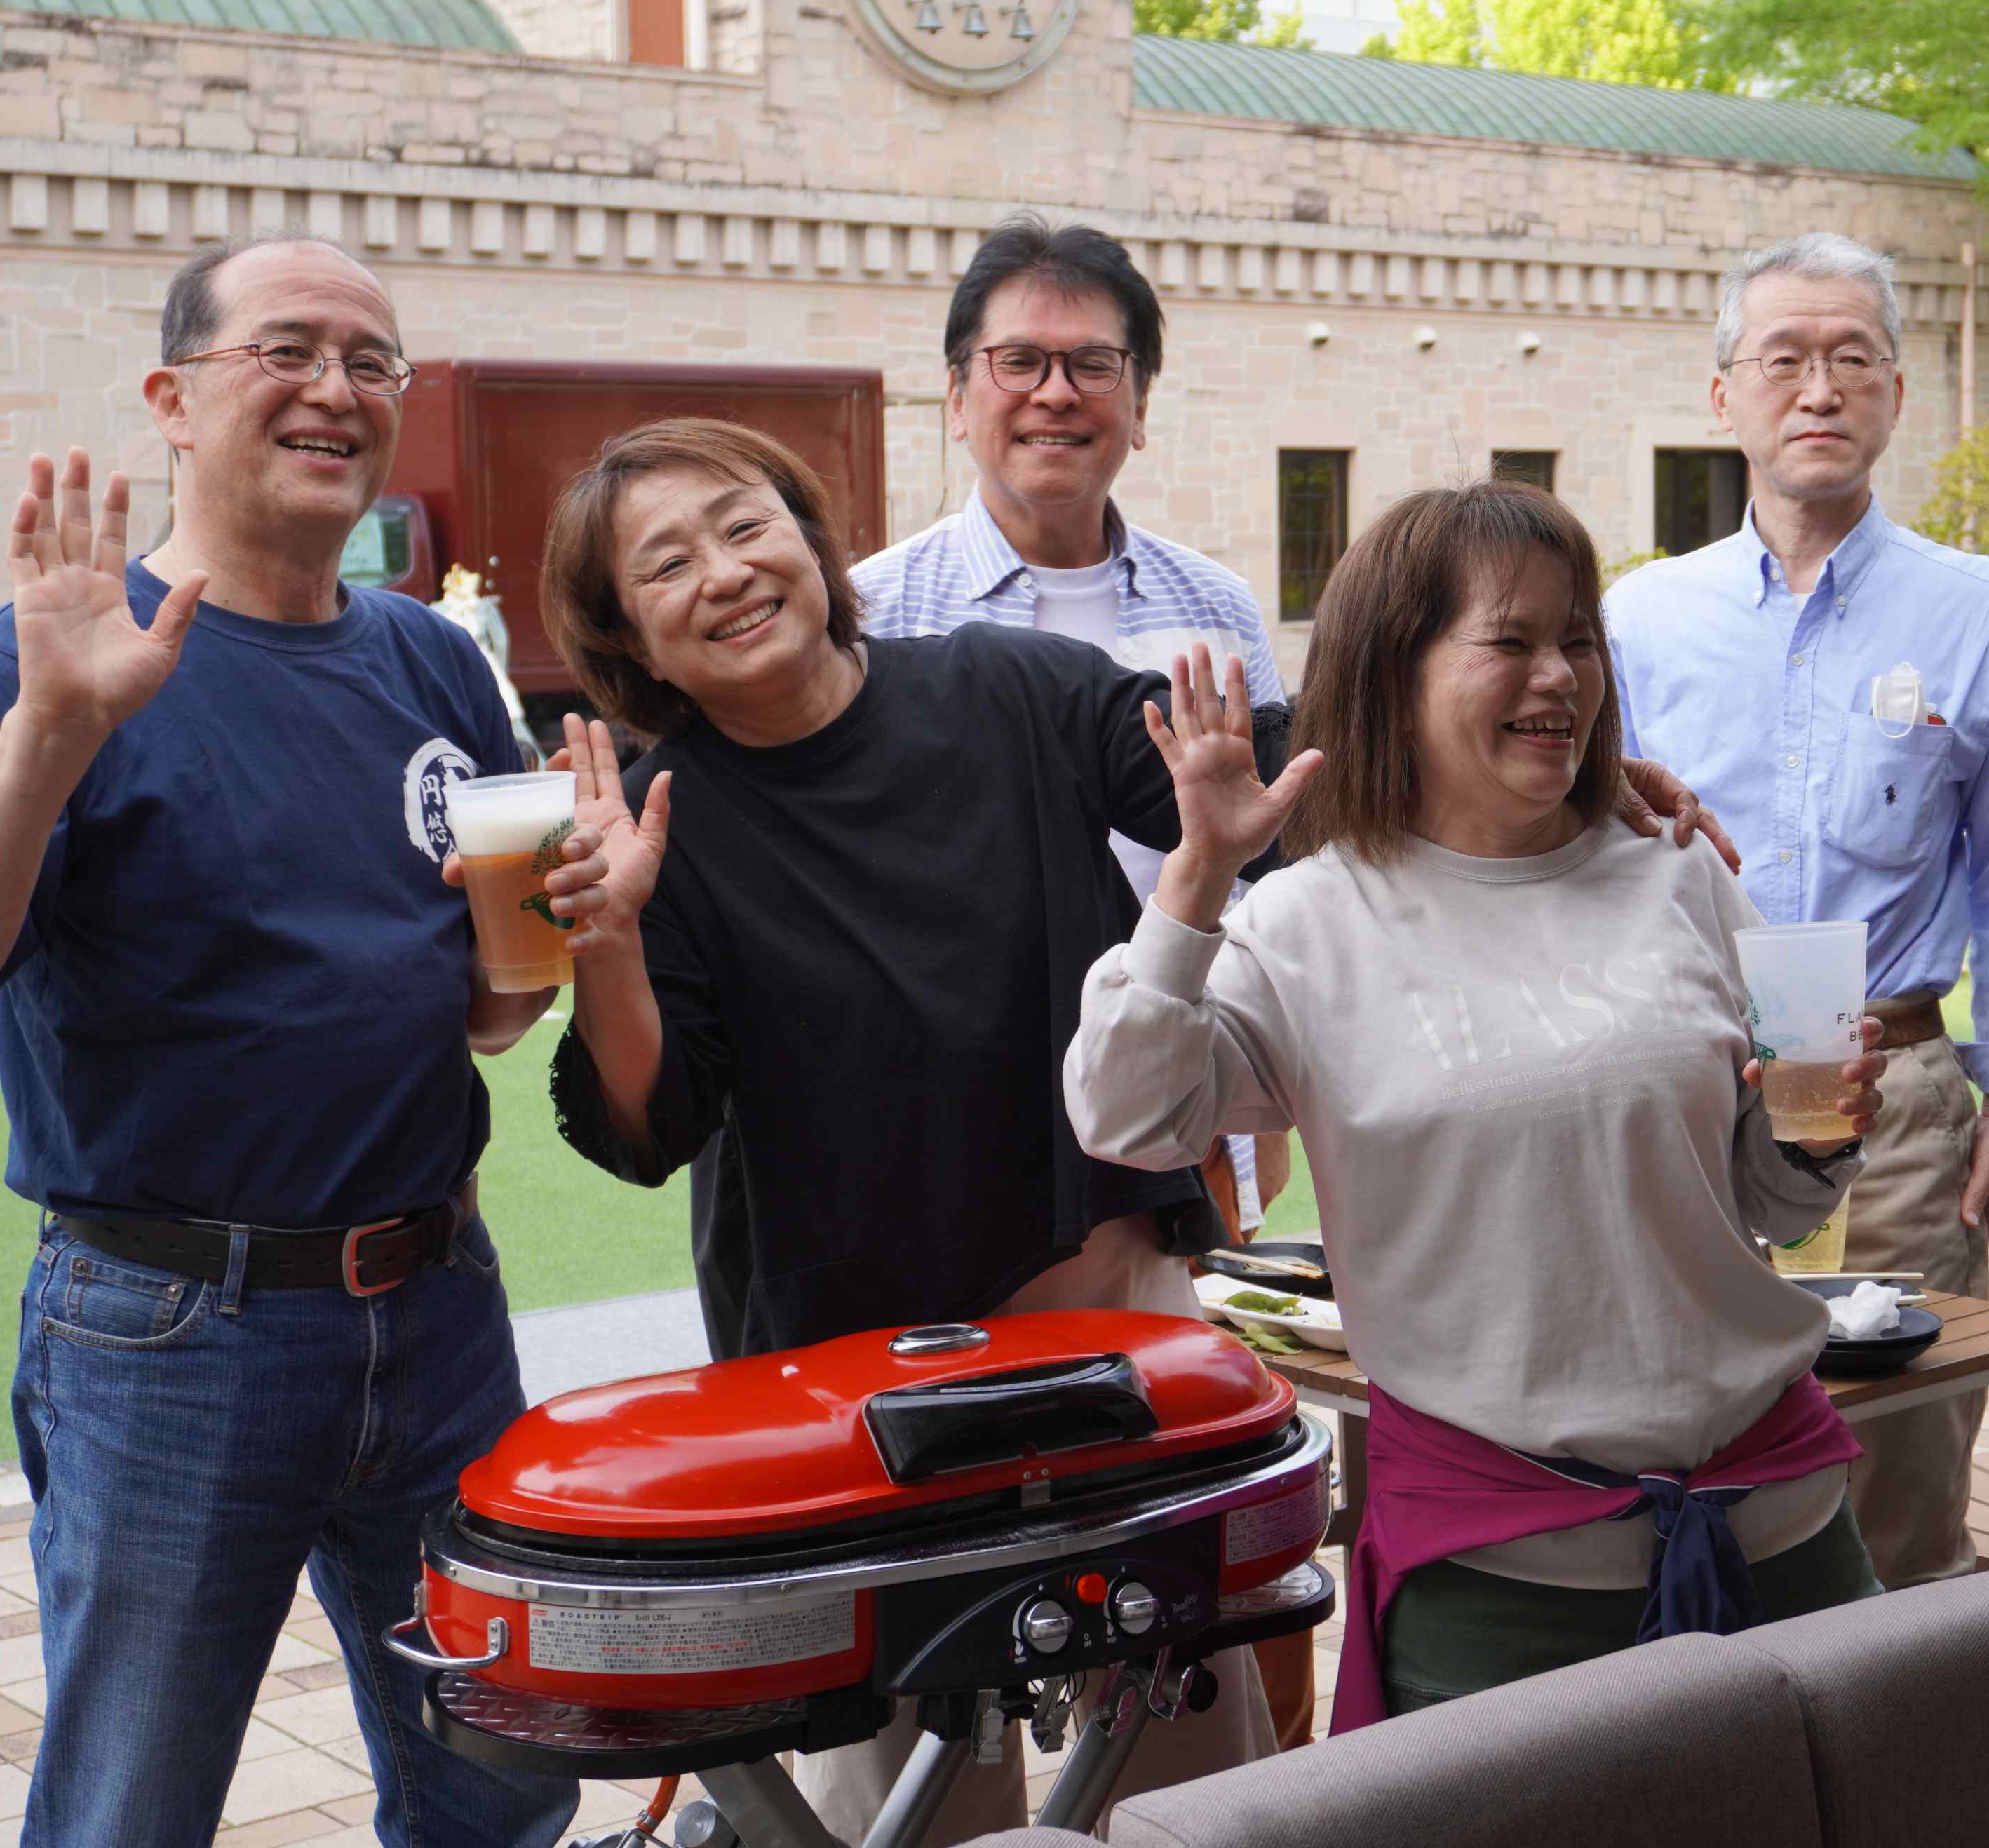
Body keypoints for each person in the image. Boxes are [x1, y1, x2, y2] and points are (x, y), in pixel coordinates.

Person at [527, 419, 1708, 1840]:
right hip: (839, 1364)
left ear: (810, 539)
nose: (724, 571)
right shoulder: (659, 811)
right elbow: (649, 1124)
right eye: (667, 564)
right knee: (892, 1784)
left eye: (743, 524)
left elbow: (1268, 780)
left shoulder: (1005, 685)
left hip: (1091, 1296)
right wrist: (609, 936)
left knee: (1181, 1741)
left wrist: (1536, 776)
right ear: (627, 636)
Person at [0, 234, 578, 1847]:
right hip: (173, 1331)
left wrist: (559, 922)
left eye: (371, 360)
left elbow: (489, 1010)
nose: (337, 389)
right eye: (288, 350)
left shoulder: (430, 660)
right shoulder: (47, 659)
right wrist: (50, 736)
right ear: (172, 399)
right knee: (134, 1808)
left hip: (437, 1308)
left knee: (501, 1787)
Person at [1065, 478, 1889, 1727]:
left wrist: (1817, 1130)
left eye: (1580, 639)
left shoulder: (1676, 874)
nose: (1561, 676)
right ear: (1395, 671)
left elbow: (1770, 1203)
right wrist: (1199, 875)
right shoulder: (1308, 921)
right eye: (1512, 639)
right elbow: (1126, 1116)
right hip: (1503, 1580)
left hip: (1784, 1524)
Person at [1601, 230, 1989, 1589]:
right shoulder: (1641, 620)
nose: (1818, 389)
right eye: (1783, 359)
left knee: (1899, 1485)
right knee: (1688, 1458)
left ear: (1895, 393)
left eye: (1851, 358)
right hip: (1690, 1087)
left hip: (1893, 1092)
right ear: (1722, 393)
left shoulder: (1980, 612)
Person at [853, 213, 1299, 1254]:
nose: (1056, 393)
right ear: (956, 399)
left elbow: (1268, 862)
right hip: (962, 1117)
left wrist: (1261, 1124)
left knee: (1196, 1350)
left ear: (1139, 406)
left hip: (1191, 1098)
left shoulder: (1218, 606)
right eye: (1018, 362)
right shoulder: (874, 615)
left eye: (1094, 365)